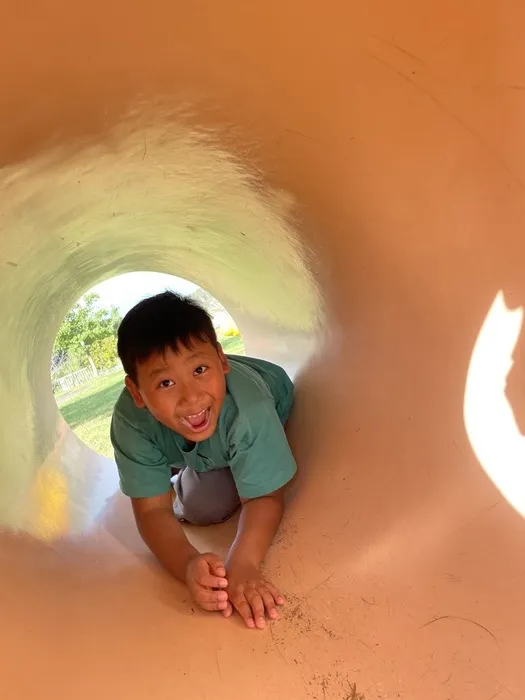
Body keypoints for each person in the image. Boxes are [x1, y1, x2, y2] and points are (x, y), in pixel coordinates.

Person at [110, 291, 297, 630]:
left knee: (207, 504)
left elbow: (265, 496)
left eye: (200, 369)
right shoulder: (130, 422)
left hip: (253, 412)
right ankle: (176, 463)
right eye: (165, 382)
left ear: (221, 361)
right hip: (194, 437)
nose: (191, 395)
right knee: (199, 507)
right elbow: (152, 511)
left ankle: (185, 464)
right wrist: (186, 564)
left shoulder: (249, 411)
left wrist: (244, 564)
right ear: (136, 392)